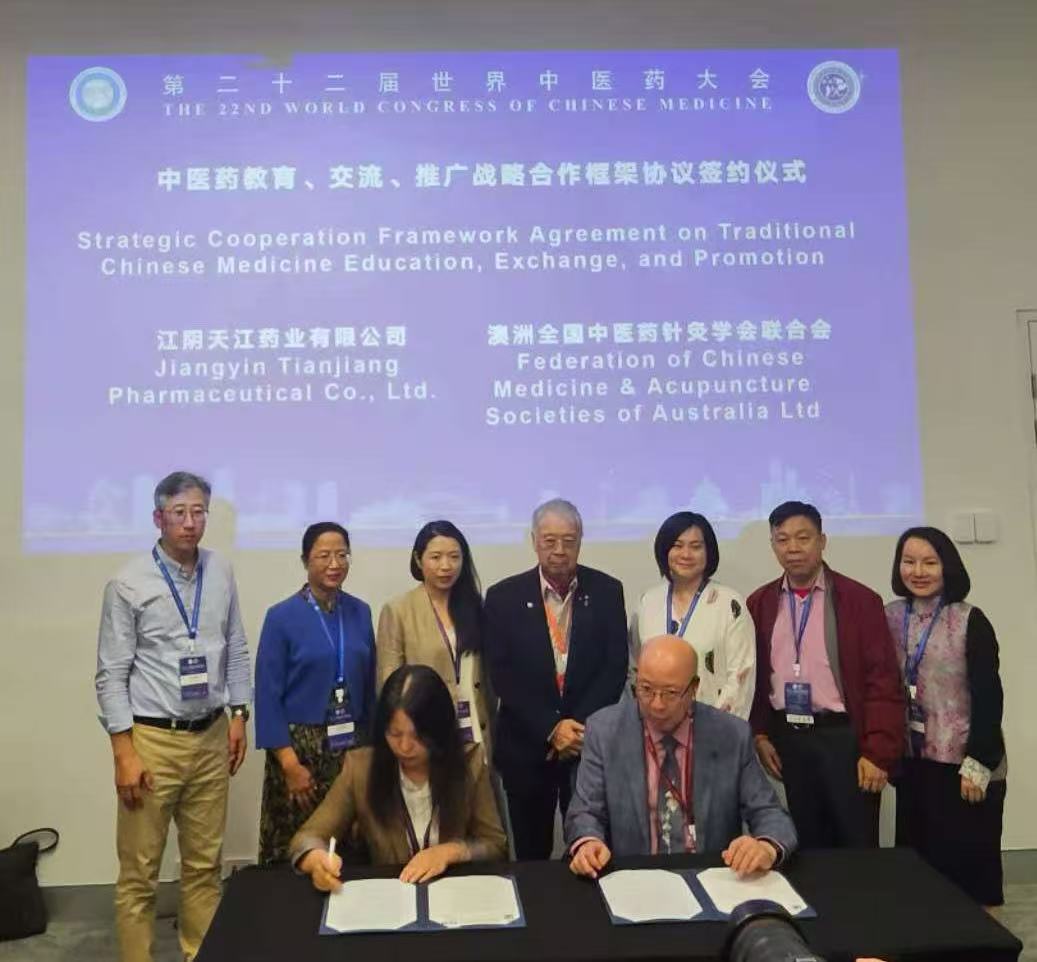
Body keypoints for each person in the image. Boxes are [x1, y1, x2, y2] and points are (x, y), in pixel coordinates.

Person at [94, 471, 251, 962]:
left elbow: (236, 648)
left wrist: (239, 714)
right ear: (158, 518)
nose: (190, 522)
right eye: (179, 512)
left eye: (198, 512)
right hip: (152, 742)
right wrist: (123, 752)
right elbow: (110, 674)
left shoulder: (220, 571)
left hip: (211, 735)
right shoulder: (128, 583)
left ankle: (199, 953)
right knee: (139, 875)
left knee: (204, 867)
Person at [565, 635, 796, 879]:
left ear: (694, 688)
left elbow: (769, 812)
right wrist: (588, 843)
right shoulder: (605, 731)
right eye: (645, 689)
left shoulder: (730, 735)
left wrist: (765, 847)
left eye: (670, 693)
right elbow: (585, 812)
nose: (657, 704)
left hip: (711, 877)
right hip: (635, 878)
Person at [747, 501, 904, 849]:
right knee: (805, 844)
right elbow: (755, 678)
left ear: (822, 541)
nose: (793, 548)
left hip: (844, 739)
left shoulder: (859, 600)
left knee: (856, 843)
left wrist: (878, 752)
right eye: (782, 539)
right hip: (789, 738)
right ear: (773, 545)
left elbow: (883, 680)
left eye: (803, 538)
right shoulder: (760, 602)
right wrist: (760, 734)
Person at [484, 498, 628, 860]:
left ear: (581, 540)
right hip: (527, 746)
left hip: (586, 746)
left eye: (569, 540)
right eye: (550, 541)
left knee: (590, 848)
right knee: (531, 855)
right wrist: (551, 728)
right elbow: (502, 674)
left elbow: (614, 667)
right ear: (534, 541)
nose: (559, 550)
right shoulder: (503, 597)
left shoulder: (607, 591)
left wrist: (574, 728)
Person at [290, 665, 508, 888]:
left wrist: (452, 851)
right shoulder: (361, 768)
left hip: (453, 893)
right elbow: (307, 837)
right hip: (391, 895)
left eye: (418, 736)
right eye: (394, 734)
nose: (404, 747)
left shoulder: (470, 764)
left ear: (439, 730)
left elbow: (495, 844)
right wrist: (315, 860)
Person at [886, 527, 1007, 907]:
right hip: (914, 762)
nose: (918, 571)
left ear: (947, 566)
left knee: (971, 871)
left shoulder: (969, 619)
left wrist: (979, 762)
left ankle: (982, 937)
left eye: (929, 562)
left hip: (964, 766)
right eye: (909, 561)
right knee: (919, 873)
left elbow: (989, 695)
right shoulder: (890, 616)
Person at [254, 522, 376, 865]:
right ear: (305, 560)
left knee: (352, 848)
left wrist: (369, 755)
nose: (334, 564)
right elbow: (267, 695)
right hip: (299, 752)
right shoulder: (281, 617)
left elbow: (370, 689)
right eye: (324, 556)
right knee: (296, 848)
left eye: (342, 555)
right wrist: (289, 764)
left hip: (351, 748)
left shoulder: (361, 612)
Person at [376, 520, 491, 754]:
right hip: (424, 734)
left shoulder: (475, 606)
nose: (446, 566)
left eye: (454, 557)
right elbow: (388, 685)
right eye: (436, 557)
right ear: (418, 560)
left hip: (477, 732)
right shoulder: (398, 610)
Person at [630, 511, 756, 718]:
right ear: (664, 550)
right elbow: (636, 667)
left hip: (712, 727)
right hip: (653, 724)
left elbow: (741, 675)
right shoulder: (648, 602)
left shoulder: (730, 603)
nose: (686, 554)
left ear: (709, 552)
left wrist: (715, 727)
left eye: (696, 547)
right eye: (677, 546)